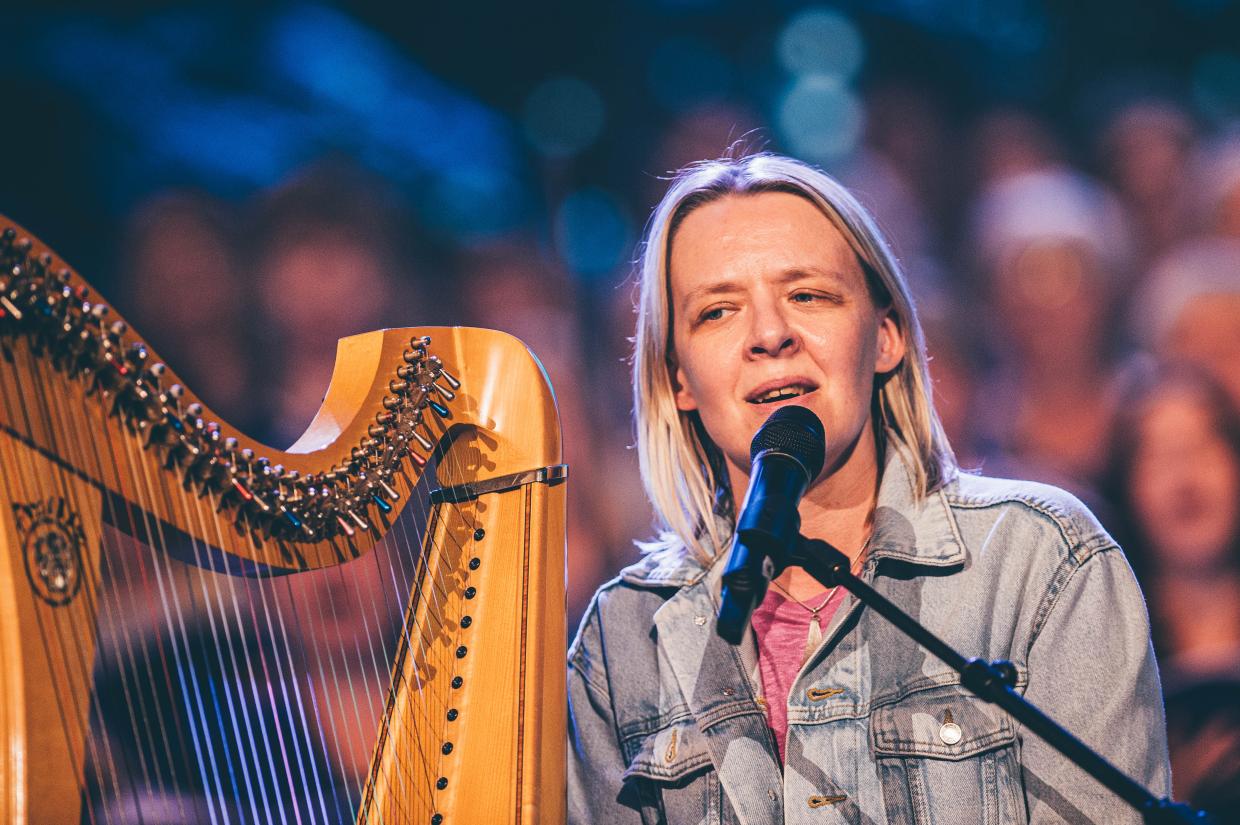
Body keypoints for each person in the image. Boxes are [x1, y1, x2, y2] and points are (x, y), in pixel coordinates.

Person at [567, 152, 1170, 824]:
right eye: (717, 311)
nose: (769, 334)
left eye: (808, 295)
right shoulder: (621, 637)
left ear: (886, 336)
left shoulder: (1041, 561)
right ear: (678, 376)